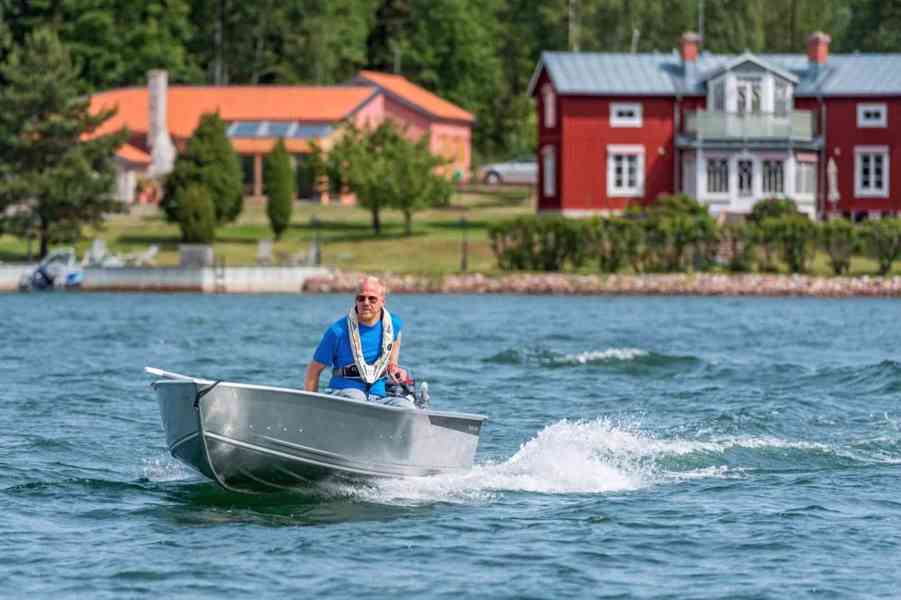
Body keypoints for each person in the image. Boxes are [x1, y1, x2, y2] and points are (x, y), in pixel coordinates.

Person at [304, 276, 411, 405]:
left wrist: (393, 364)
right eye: (361, 298)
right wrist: (310, 407)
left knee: (405, 406)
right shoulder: (337, 331)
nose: (366, 303)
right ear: (356, 301)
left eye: (372, 299)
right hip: (344, 394)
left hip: (377, 398)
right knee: (357, 397)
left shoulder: (393, 324)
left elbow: (397, 336)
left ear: (382, 301)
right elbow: (313, 371)